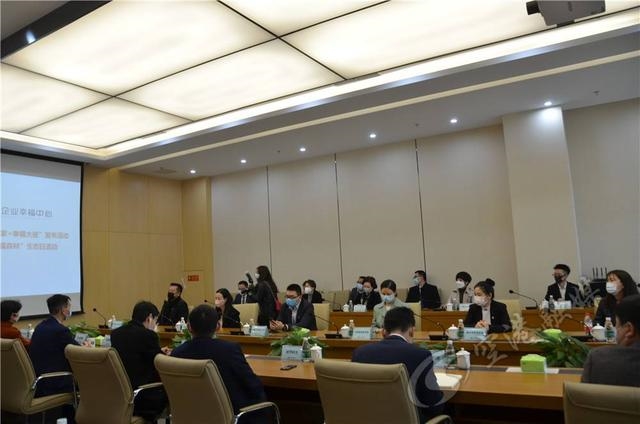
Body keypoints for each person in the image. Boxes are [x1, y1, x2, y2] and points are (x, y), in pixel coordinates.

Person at [171, 304, 268, 416]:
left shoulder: (177, 353)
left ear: (188, 327)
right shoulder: (229, 350)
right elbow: (253, 385)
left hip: (189, 415)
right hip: (231, 415)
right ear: (218, 326)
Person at [352, 307, 444, 422]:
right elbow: (434, 406)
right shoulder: (420, 355)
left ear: (383, 332)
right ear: (412, 331)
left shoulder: (360, 353)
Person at [111, 301, 169, 420]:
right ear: (149, 318)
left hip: (121, 395)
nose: (155, 325)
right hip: (143, 396)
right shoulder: (148, 335)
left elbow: (135, 352)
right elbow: (160, 363)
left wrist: (158, 350)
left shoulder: (116, 334)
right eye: (155, 321)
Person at [582, 294, 640, 387]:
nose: (615, 330)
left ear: (629, 330)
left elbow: (585, 393)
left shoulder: (598, 359)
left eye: (617, 325)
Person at [29, 294, 79, 397]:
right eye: (69, 307)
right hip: (55, 383)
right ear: (63, 310)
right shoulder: (61, 330)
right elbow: (78, 351)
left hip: (39, 381)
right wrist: (86, 347)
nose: (70, 310)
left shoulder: (40, 326)